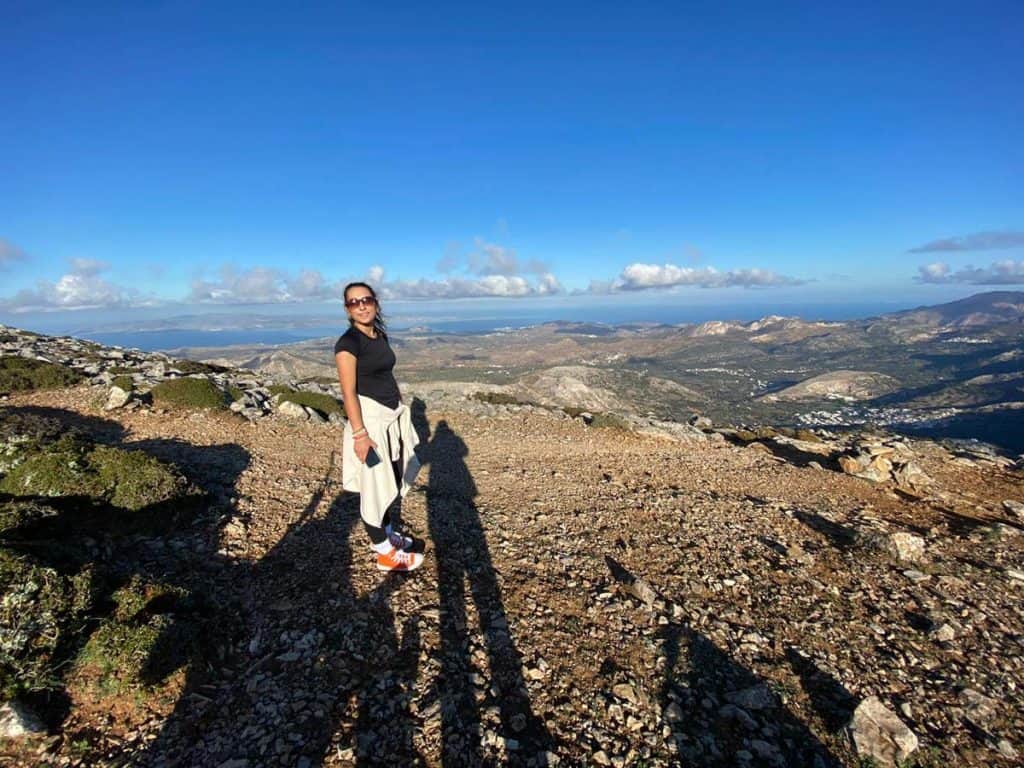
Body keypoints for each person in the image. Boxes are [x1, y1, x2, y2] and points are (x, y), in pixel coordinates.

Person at [334, 281, 425, 572]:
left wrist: (398, 400)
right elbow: (348, 392)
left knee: (390, 479)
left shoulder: (378, 335)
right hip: (369, 424)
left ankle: (387, 534)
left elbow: (385, 374)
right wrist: (360, 435)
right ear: (347, 309)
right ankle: (384, 554)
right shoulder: (348, 344)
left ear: (375, 302)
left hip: (389, 418)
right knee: (374, 486)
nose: (361, 306)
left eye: (366, 299)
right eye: (354, 302)